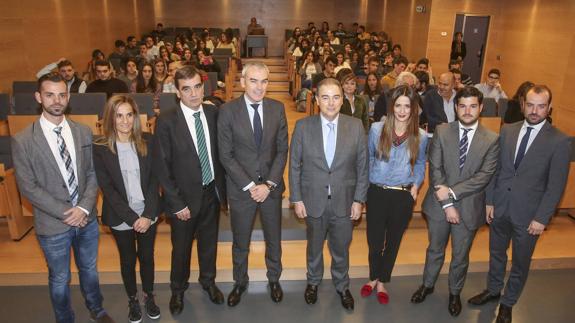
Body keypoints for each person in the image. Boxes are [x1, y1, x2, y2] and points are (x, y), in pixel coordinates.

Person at [11, 73, 114, 323]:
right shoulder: (23, 140)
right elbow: (28, 187)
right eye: (50, 95)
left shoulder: (82, 132)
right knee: (59, 278)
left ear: (68, 97)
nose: (56, 100)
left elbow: (92, 173)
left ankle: (96, 309)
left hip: (86, 219)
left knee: (90, 269)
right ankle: (64, 318)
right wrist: (68, 213)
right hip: (52, 223)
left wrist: (84, 208)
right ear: (38, 97)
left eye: (62, 94)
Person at [468, 85, 572, 323]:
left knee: (520, 263)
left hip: (529, 216)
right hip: (500, 208)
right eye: (531, 104)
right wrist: (490, 201)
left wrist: (542, 218)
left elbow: (556, 186)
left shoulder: (560, 141)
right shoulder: (508, 131)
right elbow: (498, 170)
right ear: (523, 105)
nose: (535, 111)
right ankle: (493, 291)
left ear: (549, 108)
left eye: (541, 106)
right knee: (496, 254)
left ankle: (508, 302)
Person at [411, 86, 500, 317]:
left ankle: (454, 293)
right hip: (440, 206)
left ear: (480, 108)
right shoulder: (441, 131)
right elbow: (436, 168)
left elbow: (483, 177)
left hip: (469, 207)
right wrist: (448, 204)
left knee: (460, 256)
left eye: (473, 106)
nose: (467, 111)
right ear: (456, 107)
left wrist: (451, 194)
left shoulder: (492, 139)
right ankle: (427, 285)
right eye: (462, 106)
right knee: (435, 250)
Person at [289, 77, 369, 311]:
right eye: (325, 97)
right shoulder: (304, 127)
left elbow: (363, 166)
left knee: (341, 248)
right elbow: (294, 164)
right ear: (316, 99)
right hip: (313, 200)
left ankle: (342, 286)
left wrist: (359, 200)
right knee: (314, 247)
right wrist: (297, 198)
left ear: (342, 99)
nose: (331, 103)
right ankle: (313, 282)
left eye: (336, 97)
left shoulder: (355, 127)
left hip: (345, 202)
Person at [153, 66, 227, 315]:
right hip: (183, 200)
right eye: (187, 89)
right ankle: (177, 290)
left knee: (209, 245)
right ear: (177, 91)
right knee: (181, 249)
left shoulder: (213, 112)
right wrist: (176, 203)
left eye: (197, 87)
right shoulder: (166, 120)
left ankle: (208, 282)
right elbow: (162, 166)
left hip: (211, 193)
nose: (194, 94)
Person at [218, 61, 288, 307]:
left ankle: (274, 279)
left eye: (264, 81)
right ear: (243, 82)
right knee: (240, 241)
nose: (259, 87)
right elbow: (225, 155)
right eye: (254, 81)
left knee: (274, 239)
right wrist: (250, 185)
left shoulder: (277, 109)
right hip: (241, 190)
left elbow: (282, 150)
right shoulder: (227, 111)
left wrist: (268, 184)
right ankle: (240, 282)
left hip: (270, 189)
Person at [93, 95, 160, 323]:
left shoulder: (148, 141)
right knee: (128, 260)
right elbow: (108, 190)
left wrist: (148, 215)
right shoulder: (100, 147)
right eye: (119, 115)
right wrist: (133, 219)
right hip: (121, 215)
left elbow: (153, 181)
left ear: (135, 116)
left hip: (147, 213)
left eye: (129, 115)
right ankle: (133, 299)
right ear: (111, 118)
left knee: (147, 257)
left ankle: (149, 295)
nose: (124, 121)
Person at [363, 85, 427, 304]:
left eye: (407, 106)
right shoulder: (376, 129)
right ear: (392, 107)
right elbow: (368, 159)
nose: (402, 110)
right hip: (377, 192)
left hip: (402, 195)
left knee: (393, 241)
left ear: (413, 108)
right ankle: (373, 276)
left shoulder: (420, 135)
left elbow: (419, 164)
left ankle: (381, 280)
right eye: (398, 105)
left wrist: (416, 185)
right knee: (374, 241)